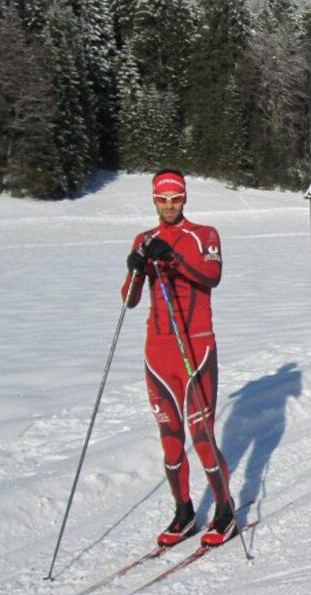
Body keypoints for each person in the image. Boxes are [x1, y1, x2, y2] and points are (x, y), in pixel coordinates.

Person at [122, 169, 235, 547]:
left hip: (196, 349)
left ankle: (224, 509)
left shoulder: (204, 235)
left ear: (184, 198)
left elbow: (211, 276)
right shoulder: (145, 239)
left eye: (175, 199)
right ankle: (184, 510)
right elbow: (129, 299)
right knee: (170, 439)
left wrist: (172, 258)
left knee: (201, 436)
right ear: (154, 200)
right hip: (157, 354)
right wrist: (135, 268)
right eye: (162, 200)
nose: (169, 206)